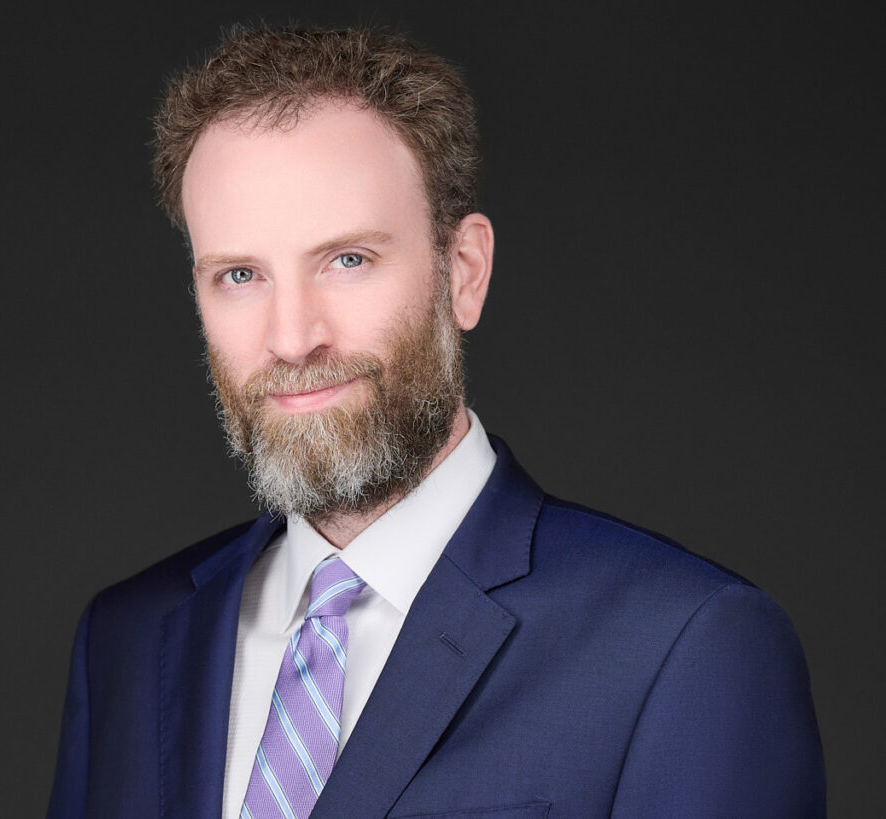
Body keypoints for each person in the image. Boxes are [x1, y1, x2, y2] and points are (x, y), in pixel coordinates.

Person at [47, 25, 825, 819]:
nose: (291, 337)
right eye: (239, 274)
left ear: (465, 273)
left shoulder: (683, 647)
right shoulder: (127, 641)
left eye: (347, 259)